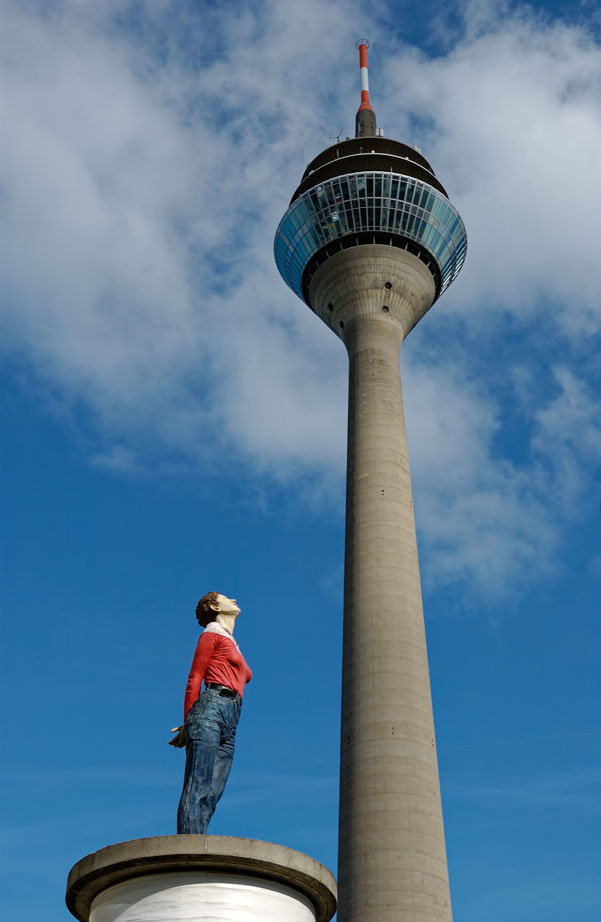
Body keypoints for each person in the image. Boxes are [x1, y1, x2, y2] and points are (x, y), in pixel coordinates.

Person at [170, 592, 252, 834]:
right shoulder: (211, 634)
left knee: (213, 793)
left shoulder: (230, 640)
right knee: (199, 785)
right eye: (227, 598)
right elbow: (194, 677)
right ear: (216, 606)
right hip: (211, 708)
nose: (235, 599)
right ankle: (188, 851)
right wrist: (187, 721)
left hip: (231, 717)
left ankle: (199, 843)